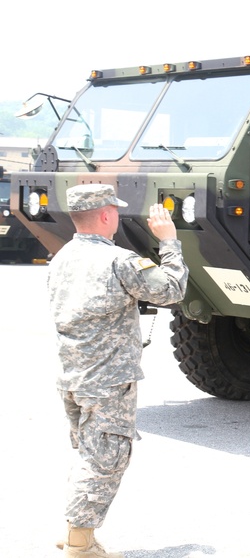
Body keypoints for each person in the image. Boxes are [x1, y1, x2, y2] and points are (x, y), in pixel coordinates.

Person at [48, 185, 189, 557]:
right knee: (106, 459)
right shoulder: (120, 261)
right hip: (108, 381)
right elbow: (172, 289)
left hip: (72, 377)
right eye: (116, 211)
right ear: (107, 215)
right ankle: (80, 544)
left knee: (88, 454)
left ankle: (73, 529)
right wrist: (169, 241)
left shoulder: (62, 257)